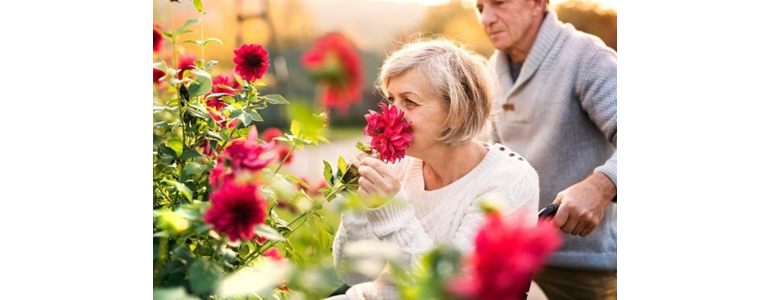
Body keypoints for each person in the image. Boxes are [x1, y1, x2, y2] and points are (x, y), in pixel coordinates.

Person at [326, 38, 540, 300]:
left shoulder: (508, 181)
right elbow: (353, 276)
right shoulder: (399, 163)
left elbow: (448, 292)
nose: (390, 115)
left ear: (457, 112)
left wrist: (391, 210)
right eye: (392, 100)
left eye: (410, 102)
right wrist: (358, 205)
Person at [474, 0, 618, 299]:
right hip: (514, 258)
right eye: (480, 8)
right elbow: (493, 161)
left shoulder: (588, 58)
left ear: (538, 3)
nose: (486, 18)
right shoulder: (491, 69)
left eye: (499, 3)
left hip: (582, 264)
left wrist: (602, 186)